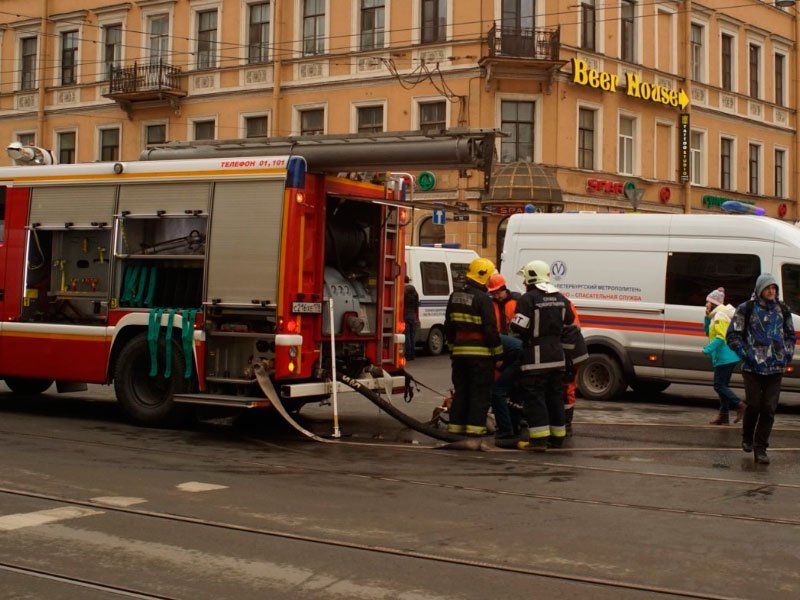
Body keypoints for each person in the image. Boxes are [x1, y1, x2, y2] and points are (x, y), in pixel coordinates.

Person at [510, 260, 587, 450]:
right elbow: (570, 323)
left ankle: (538, 441)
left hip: (535, 359)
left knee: (535, 398)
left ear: (530, 277)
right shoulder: (561, 298)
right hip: (558, 357)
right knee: (555, 397)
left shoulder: (528, 299)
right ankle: (557, 437)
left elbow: (518, 326)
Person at [726, 274, 796, 464]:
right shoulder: (746, 308)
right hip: (752, 368)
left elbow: (791, 335)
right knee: (754, 405)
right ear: (759, 289)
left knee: (769, 409)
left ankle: (761, 448)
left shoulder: (783, 309)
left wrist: (787, 354)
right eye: (767, 288)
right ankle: (747, 437)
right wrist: (746, 354)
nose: (771, 291)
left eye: (773, 287)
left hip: (775, 368)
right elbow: (732, 335)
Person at [444, 257, 503, 436]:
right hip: (480, 355)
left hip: (459, 354)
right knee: (479, 392)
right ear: (484, 276)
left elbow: (449, 324)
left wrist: (453, 348)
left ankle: (455, 427)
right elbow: (490, 328)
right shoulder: (483, 298)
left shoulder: (455, 295)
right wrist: (498, 353)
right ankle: (475, 430)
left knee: (461, 391)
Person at [702, 287, 743, 426]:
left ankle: (739, 405)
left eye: (707, 302)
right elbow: (708, 333)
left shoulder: (720, 316)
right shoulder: (716, 315)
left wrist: (707, 349)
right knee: (722, 386)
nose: (706, 304)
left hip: (725, 356)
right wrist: (707, 317)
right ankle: (724, 416)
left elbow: (721, 337)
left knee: (719, 386)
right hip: (727, 356)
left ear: (712, 302)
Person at [403, 275, 420, 361]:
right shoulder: (414, 291)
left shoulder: (403, 290)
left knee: (407, 335)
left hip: (405, 314)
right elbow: (417, 304)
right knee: (412, 335)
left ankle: (408, 354)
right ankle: (412, 354)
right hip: (412, 315)